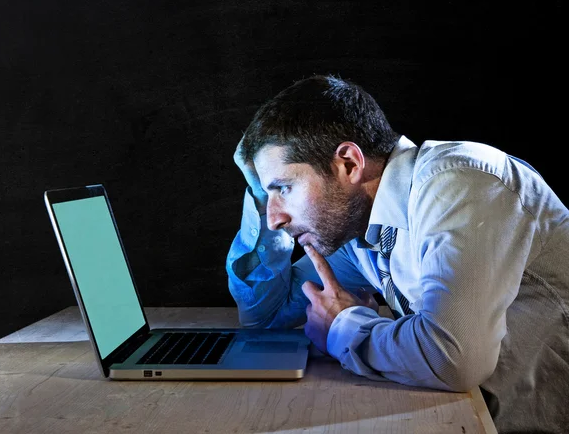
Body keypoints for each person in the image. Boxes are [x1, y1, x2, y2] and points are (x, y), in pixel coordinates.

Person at [225, 74, 569, 433]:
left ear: (348, 164)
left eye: (284, 188)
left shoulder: (461, 183)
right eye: (268, 195)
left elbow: (455, 359)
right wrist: (258, 187)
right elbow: (265, 317)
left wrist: (343, 328)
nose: (275, 218)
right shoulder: (361, 236)